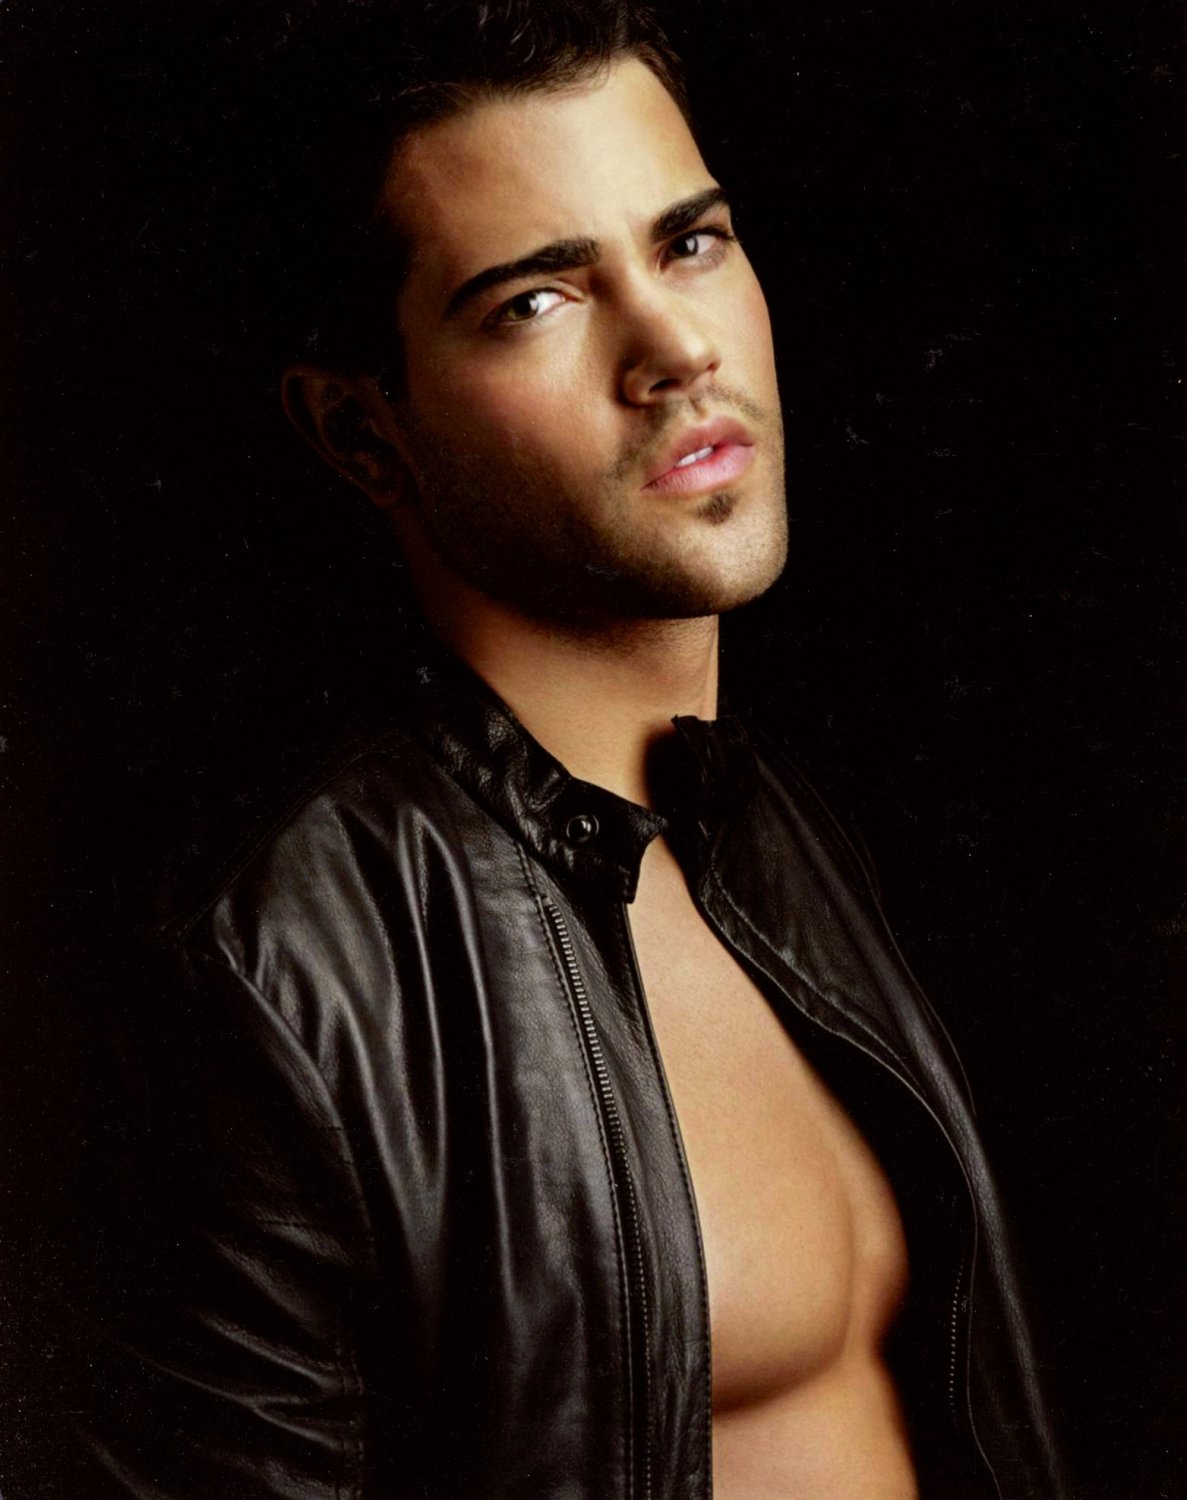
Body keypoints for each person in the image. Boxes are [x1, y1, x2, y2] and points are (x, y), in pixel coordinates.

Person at [49, 3, 1067, 1497]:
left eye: (691, 244)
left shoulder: (762, 829)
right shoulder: (272, 969)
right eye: (536, 300)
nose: (675, 348)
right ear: (361, 433)